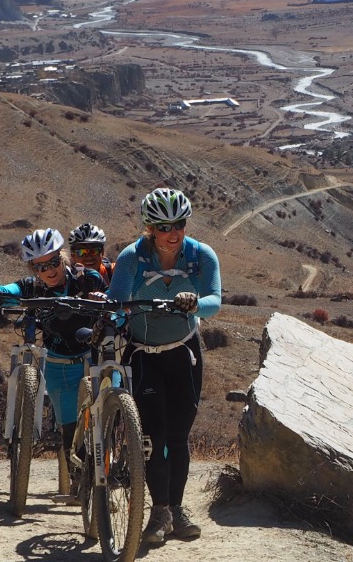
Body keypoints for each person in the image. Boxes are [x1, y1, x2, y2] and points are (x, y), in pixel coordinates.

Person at [107, 187, 221, 545]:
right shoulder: (132, 258)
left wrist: (195, 303)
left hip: (184, 353)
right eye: (163, 227)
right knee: (153, 438)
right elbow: (116, 302)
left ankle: (177, 509)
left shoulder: (201, 255)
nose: (173, 233)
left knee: (178, 436)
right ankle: (159, 513)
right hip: (143, 354)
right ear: (150, 228)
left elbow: (215, 300)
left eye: (179, 224)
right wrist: (113, 317)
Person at [0, 227, 107, 485]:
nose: (49, 270)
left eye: (53, 262)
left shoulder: (87, 279)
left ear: (63, 257)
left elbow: (111, 302)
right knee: (69, 428)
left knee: (107, 418)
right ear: (33, 268)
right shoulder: (30, 287)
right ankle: (80, 484)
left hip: (93, 356)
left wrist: (101, 298)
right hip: (59, 362)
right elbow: (6, 291)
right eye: (40, 266)